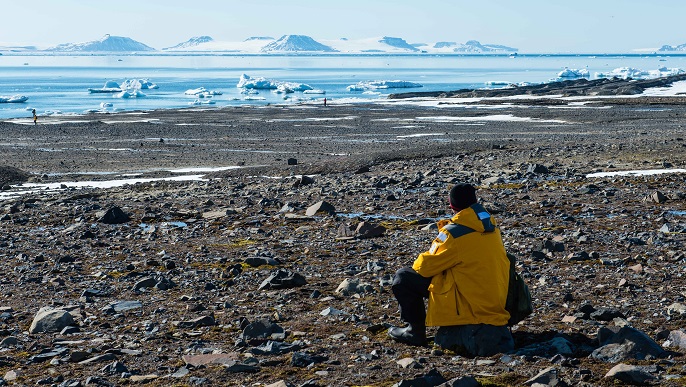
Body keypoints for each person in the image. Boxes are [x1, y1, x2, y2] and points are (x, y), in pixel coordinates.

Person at [388, 183, 514, 356]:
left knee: (403, 277)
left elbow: (424, 268)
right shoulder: (491, 226)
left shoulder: (454, 234)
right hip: (494, 300)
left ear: (451, 206)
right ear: (475, 202)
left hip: (470, 304)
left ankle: (414, 331)